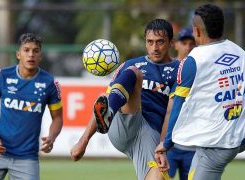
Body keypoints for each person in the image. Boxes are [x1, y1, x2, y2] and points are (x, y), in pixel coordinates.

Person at [70, 18, 180, 180]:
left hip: (149, 135)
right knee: (133, 74)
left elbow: (171, 111)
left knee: (158, 178)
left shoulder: (179, 70)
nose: (154, 48)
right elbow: (106, 100)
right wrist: (83, 141)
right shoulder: (132, 64)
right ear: (145, 43)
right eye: (150, 42)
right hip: (123, 123)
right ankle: (110, 113)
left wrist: (163, 146)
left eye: (160, 42)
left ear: (171, 43)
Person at [155, 4, 245, 180]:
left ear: (196, 31)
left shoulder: (193, 61)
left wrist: (166, 142)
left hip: (216, 143)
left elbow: (177, 105)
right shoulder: (239, 51)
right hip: (239, 136)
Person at [0, 33, 63, 180]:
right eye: (26, 50)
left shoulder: (50, 84)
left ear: (40, 56)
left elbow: (58, 118)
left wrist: (52, 138)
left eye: (36, 51)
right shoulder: (1, 77)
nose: (31, 55)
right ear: (18, 54)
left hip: (27, 158)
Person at [166, 27, 196, 180]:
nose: (188, 47)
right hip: (169, 145)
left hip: (193, 144)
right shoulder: (168, 70)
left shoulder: (201, 71)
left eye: (192, 43)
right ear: (175, 44)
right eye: (184, 43)